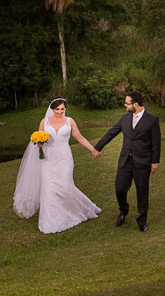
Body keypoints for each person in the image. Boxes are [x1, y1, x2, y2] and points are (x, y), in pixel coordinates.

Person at [13, 97, 102, 234]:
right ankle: (50, 222)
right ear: (52, 109)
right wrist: (40, 142)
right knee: (49, 190)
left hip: (65, 159)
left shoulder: (69, 121)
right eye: (57, 109)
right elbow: (40, 140)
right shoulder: (45, 122)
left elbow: (80, 137)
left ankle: (81, 209)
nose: (60, 112)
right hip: (49, 160)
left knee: (66, 187)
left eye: (62, 109)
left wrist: (93, 149)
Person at [94, 91, 161, 232]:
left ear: (135, 104)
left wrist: (155, 162)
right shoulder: (124, 118)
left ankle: (142, 221)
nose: (125, 105)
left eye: (127, 103)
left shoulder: (152, 120)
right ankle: (123, 210)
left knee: (142, 192)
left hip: (142, 162)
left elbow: (156, 143)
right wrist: (98, 148)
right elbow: (111, 132)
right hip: (125, 161)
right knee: (119, 189)